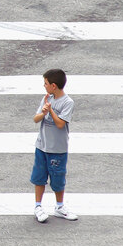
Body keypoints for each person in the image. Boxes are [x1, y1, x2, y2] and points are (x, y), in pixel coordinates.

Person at [32, 68, 78, 223]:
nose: (44, 86)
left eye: (45, 83)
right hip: (42, 146)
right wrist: (44, 112)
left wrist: (50, 112)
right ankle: (38, 206)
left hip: (57, 149)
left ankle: (59, 207)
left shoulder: (67, 102)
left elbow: (60, 124)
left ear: (54, 85)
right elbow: (36, 119)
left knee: (58, 178)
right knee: (39, 178)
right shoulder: (46, 99)